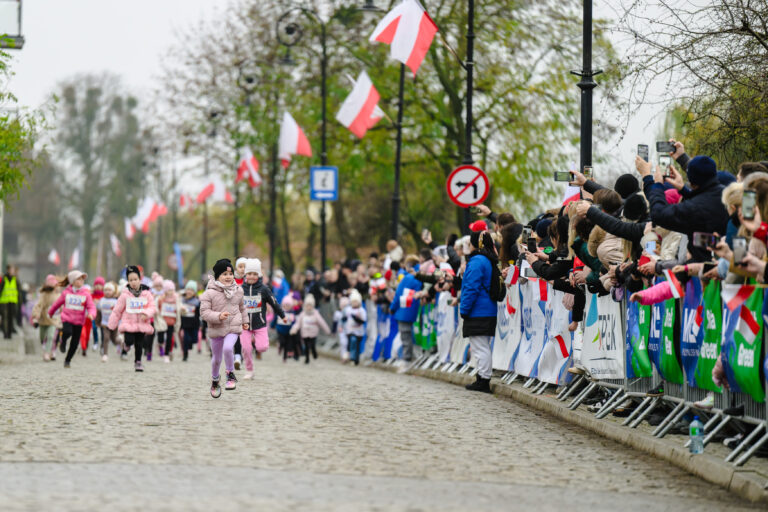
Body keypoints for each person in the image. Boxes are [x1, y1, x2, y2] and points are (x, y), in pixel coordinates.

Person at [200, 259, 247, 398]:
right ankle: (215, 380)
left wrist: (246, 321)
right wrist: (219, 316)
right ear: (217, 276)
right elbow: (204, 313)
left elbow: (242, 308)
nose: (228, 276)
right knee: (216, 359)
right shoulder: (209, 293)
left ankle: (230, 374)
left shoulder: (238, 290)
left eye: (230, 273)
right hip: (216, 329)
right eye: (224, 274)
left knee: (228, 348)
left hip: (233, 327)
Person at [460, 231, 499, 393]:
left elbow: (471, 287)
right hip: (486, 309)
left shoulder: (477, 261)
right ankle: (482, 377)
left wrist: (464, 308)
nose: (468, 247)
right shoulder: (486, 260)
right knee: (481, 346)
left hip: (479, 310)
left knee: (480, 346)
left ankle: (484, 379)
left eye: (470, 243)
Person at [240, 258, 285, 379]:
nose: (252, 276)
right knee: (246, 348)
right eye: (249, 274)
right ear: (245, 275)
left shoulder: (264, 289)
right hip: (244, 325)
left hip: (260, 324)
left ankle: (258, 341)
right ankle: (249, 370)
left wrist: (283, 315)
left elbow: (274, 302)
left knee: (262, 347)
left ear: (259, 275)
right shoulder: (240, 289)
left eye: (255, 274)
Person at [107, 266, 156, 372]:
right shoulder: (125, 295)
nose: (133, 282)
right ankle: (126, 345)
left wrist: (146, 313)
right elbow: (117, 310)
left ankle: (138, 362)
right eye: (130, 280)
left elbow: (152, 307)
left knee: (139, 344)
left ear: (140, 279)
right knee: (129, 340)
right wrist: (112, 323)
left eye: (135, 279)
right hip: (128, 323)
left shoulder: (146, 293)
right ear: (128, 281)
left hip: (142, 323)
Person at [47, 270, 97, 368]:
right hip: (67, 318)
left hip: (79, 322)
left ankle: (67, 360)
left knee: (75, 343)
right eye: (78, 279)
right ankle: (63, 341)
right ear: (72, 281)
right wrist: (51, 313)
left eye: (82, 279)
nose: (81, 281)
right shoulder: (66, 293)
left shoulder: (86, 294)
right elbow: (57, 304)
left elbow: (91, 306)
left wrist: (91, 314)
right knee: (67, 331)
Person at [389, 255, 423, 367]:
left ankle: (407, 358)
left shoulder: (407, 278)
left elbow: (398, 294)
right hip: (416, 308)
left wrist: (392, 308)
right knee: (412, 333)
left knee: (405, 334)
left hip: (406, 309)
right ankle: (412, 356)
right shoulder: (421, 275)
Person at [290, 294, 331, 365]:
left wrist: (327, 330)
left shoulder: (316, 313)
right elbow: (298, 323)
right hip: (305, 333)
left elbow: (322, 322)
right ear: (305, 306)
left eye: (310, 305)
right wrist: (294, 329)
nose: (309, 307)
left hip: (313, 333)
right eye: (307, 305)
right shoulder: (302, 314)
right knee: (306, 346)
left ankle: (314, 352)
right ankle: (307, 358)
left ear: (313, 306)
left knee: (312, 345)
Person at [31, 274, 60, 361]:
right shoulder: (43, 295)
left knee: (51, 336)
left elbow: (62, 307)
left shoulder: (58, 295)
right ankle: (46, 348)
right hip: (43, 320)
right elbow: (38, 306)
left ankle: (47, 353)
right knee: (42, 337)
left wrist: (64, 317)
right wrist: (36, 315)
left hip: (53, 320)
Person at [157, 280, 181, 363]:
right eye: (168, 290)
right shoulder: (161, 298)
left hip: (171, 322)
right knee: (160, 339)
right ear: (165, 290)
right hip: (162, 322)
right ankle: (160, 345)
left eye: (172, 290)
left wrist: (182, 309)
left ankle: (166, 354)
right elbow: (157, 307)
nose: (170, 292)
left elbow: (179, 306)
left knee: (169, 339)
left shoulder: (175, 298)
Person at [98, 282, 119, 362]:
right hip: (105, 323)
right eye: (106, 290)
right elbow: (99, 311)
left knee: (114, 340)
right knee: (106, 338)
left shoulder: (116, 302)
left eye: (109, 290)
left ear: (113, 292)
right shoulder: (102, 300)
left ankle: (122, 343)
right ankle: (105, 355)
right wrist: (98, 321)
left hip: (114, 324)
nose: (107, 292)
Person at [179, 280, 200, 362]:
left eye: (191, 290)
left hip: (194, 323)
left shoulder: (197, 302)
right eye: (188, 289)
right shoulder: (182, 300)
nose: (189, 292)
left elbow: (199, 313)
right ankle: (185, 355)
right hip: (185, 323)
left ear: (194, 292)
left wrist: (200, 323)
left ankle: (190, 345)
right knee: (186, 339)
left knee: (195, 339)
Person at [344, 290, 367, 366]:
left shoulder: (361, 310)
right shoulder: (348, 310)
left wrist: (356, 318)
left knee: (357, 345)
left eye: (356, 302)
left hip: (359, 331)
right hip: (351, 331)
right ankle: (352, 358)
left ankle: (356, 359)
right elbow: (345, 318)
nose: (354, 303)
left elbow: (363, 320)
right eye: (353, 302)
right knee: (352, 342)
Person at [0, 265, 20, 339]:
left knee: (11, 318)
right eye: (11, 270)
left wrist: (19, 303)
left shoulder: (15, 280)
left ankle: (9, 333)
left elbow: (18, 292)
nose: (12, 271)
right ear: (8, 270)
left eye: (13, 270)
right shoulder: (4, 279)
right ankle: (5, 333)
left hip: (13, 302)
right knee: (5, 318)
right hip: (4, 301)